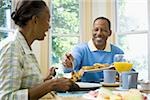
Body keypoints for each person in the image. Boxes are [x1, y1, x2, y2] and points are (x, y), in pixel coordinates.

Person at [0, 0, 76, 99]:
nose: (49, 26)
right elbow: (6, 97)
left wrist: (45, 82)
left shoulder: (24, 47)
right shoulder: (12, 48)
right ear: (35, 20)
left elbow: (24, 87)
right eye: (47, 20)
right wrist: (51, 85)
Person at [62, 17, 124, 83]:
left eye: (104, 30)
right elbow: (71, 65)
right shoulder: (80, 49)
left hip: (110, 90)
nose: (99, 33)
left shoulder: (118, 52)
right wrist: (69, 64)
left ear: (110, 33)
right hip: (84, 91)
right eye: (96, 30)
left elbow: (128, 73)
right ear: (92, 31)